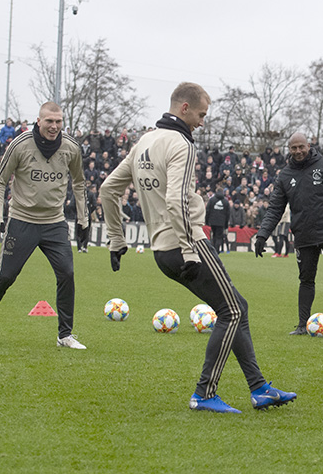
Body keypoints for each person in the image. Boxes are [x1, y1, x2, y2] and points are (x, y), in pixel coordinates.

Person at [100, 82, 296, 414]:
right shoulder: (181, 144)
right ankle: (205, 393)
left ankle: (259, 387)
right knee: (232, 311)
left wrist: (117, 239)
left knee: (236, 308)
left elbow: (107, 189)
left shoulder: (144, 141)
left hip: (161, 250)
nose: (203, 122)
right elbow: (176, 200)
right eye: (202, 114)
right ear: (185, 108)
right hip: (186, 243)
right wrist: (191, 250)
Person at [0, 102, 90, 350]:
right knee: (6, 276)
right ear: (39, 121)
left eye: (58, 121)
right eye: (49, 121)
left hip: (54, 223)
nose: (54, 126)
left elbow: (80, 183)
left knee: (67, 274)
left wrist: (84, 219)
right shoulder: (20, 145)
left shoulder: (71, 147)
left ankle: (65, 335)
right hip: (22, 221)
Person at [254, 132, 323, 338]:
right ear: (289, 149)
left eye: (301, 147)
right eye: (293, 148)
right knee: (306, 280)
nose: (298, 151)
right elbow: (275, 208)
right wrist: (262, 235)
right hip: (304, 235)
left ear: (309, 146)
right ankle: (303, 325)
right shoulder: (285, 175)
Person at [205, 187, 230, 254]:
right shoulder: (225, 202)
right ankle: (216, 250)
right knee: (219, 236)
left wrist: (207, 221)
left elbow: (207, 210)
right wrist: (226, 224)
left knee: (214, 235)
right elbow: (228, 214)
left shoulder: (212, 200)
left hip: (213, 221)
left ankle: (213, 250)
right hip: (221, 222)